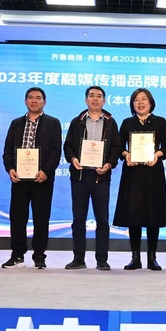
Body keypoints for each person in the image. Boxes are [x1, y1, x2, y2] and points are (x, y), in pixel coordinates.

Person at [1, 87, 62, 270]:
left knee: (41, 218)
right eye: (30, 97)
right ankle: (17, 255)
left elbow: (55, 151)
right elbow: (7, 150)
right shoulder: (16, 123)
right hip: (19, 179)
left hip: (42, 179)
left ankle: (39, 255)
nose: (34, 100)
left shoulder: (53, 123)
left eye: (38, 98)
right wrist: (10, 169)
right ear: (25, 101)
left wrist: (46, 171)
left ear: (44, 102)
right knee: (17, 218)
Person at [62, 85, 121, 271]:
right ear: (86, 100)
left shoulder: (111, 122)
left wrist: (109, 164)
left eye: (99, 96)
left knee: (102, 220)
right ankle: (78, 258)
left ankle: (102, 259)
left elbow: (116, 148)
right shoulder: (77, 121)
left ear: (104, 101)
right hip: (80, 175)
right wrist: (73, 159)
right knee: (78, 219)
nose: (95, 99)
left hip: (100, 177)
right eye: (92, 96)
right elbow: (68, 146)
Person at [113, 88, 166, 271]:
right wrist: (126, 155)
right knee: (134, 215)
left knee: (154, 214)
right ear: (132, 104)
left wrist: (157, 155)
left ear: (151, 103)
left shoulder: (160, 122)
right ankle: (135, 257)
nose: (140, 102)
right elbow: (118, 146)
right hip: (133, 173)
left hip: (153, 171)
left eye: (144, 99)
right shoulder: (127, 122)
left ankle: (152, 258)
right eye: (136, 100)